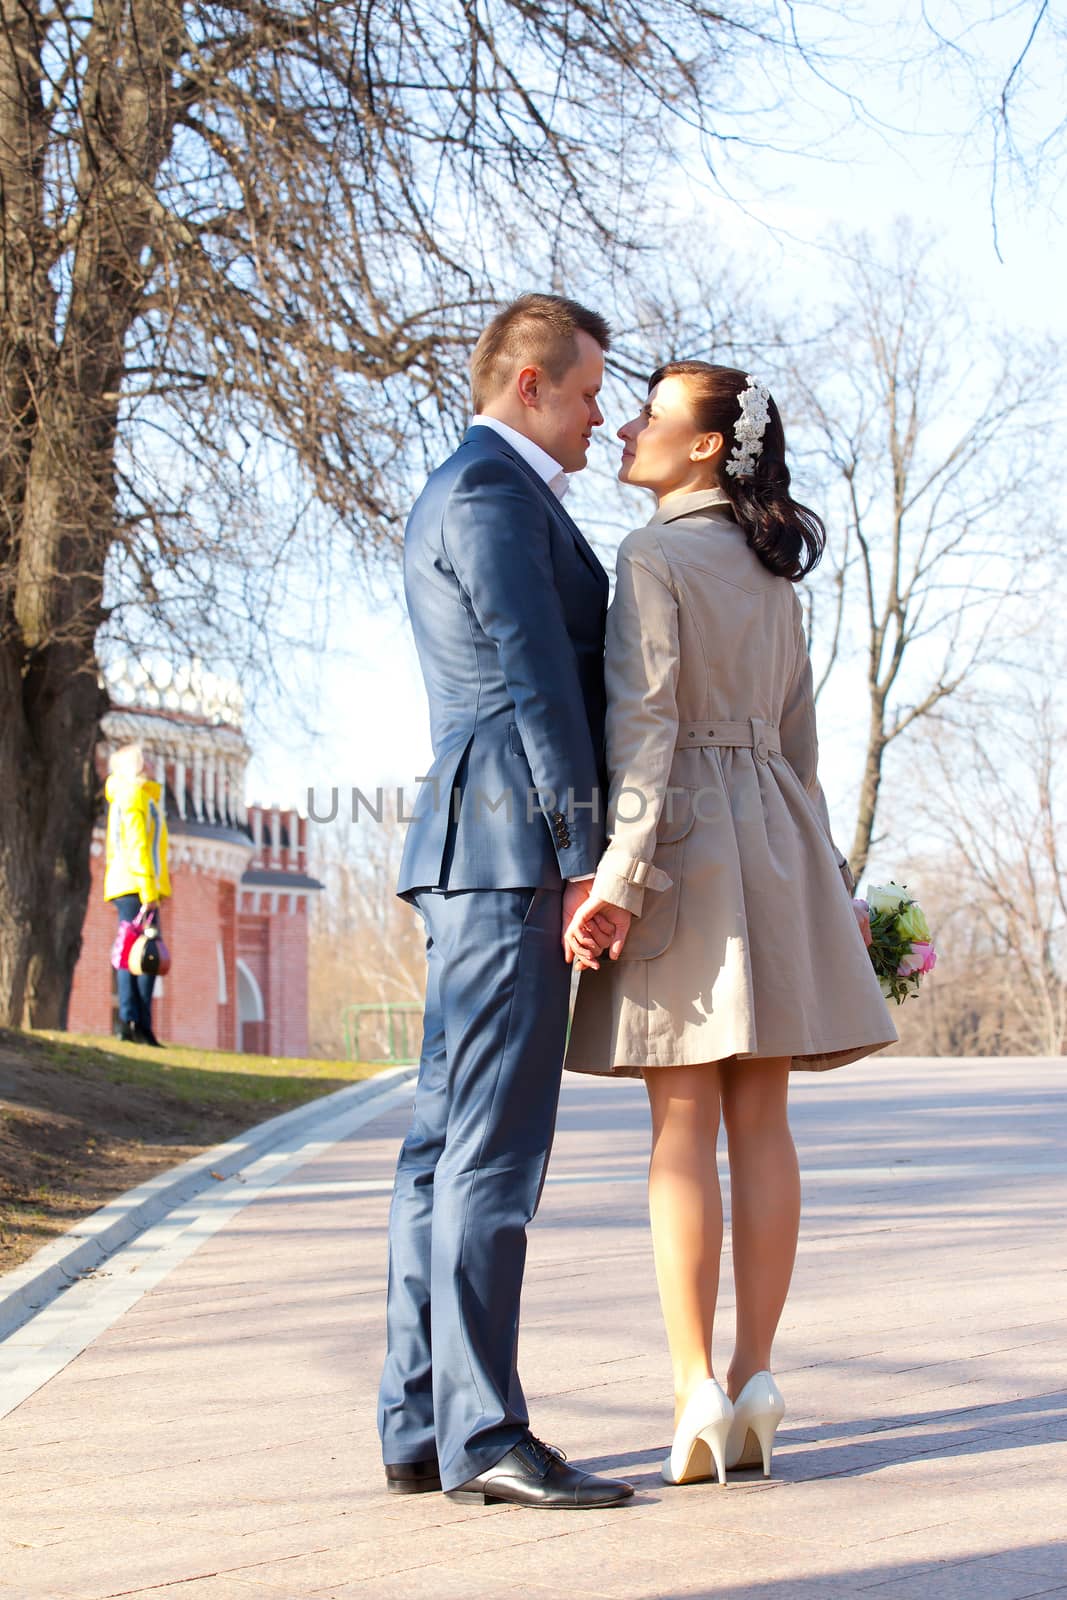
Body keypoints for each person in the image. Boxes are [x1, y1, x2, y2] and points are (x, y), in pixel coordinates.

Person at [564, 362, 897, 1487]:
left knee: (678, 1128)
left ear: (704, 447)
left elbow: (644, 729)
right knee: (763, 1121)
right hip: (778, 842)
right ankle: (756, 1380)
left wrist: (613, 877)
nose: (624, 425)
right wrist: (827, 878)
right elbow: (800, 750)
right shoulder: (772, 578)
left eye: (650, 416)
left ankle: (691, 1385)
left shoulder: (651, 557)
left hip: (689, 849)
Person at [377, 294, 634, 1510]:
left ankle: (419, 1419)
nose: (601, 416)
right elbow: (536, 681)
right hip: (506, 853)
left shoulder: (486, 489)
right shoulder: (487, 492)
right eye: (588, 391)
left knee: (441, 1147)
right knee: (491, 1148)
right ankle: (482, 1436)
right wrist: (583, 852)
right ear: (528, 385)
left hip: (477, 849)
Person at [104, 742, 170, 1047]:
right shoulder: (131, 795)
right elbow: (136, 848)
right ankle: (131, 1022)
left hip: (142, 887)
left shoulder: (144, 797)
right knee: (135, 955)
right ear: (137, 765)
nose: (154, 764)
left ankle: (141, 1024)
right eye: (148, 760)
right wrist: (147, 891)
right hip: (134, 888)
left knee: (146, 957)